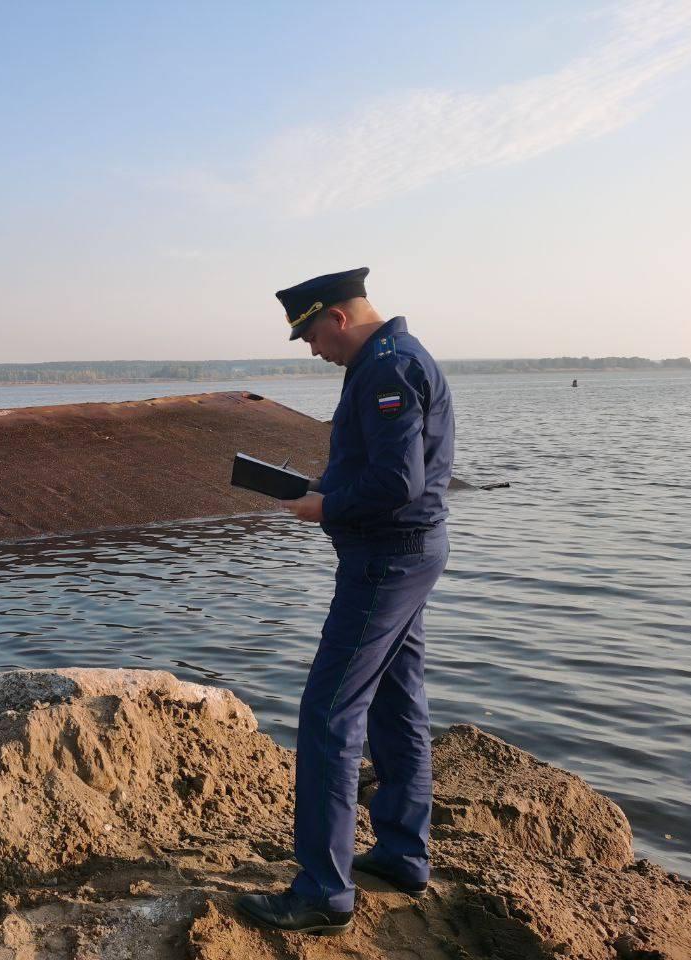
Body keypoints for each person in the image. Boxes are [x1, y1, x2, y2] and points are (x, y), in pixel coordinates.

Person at [236, 267, 455, 936]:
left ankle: (324, 891)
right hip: (402, 555)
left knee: (329, 713)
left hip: (386, 560)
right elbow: (376, 465)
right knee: (397, 699)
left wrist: (326, 505)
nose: (310, 348)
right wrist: (322, 489)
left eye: (309, 334)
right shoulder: (388, 362)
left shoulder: (388, 368)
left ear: (335, 316)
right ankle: (402, 853)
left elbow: (396, 481)